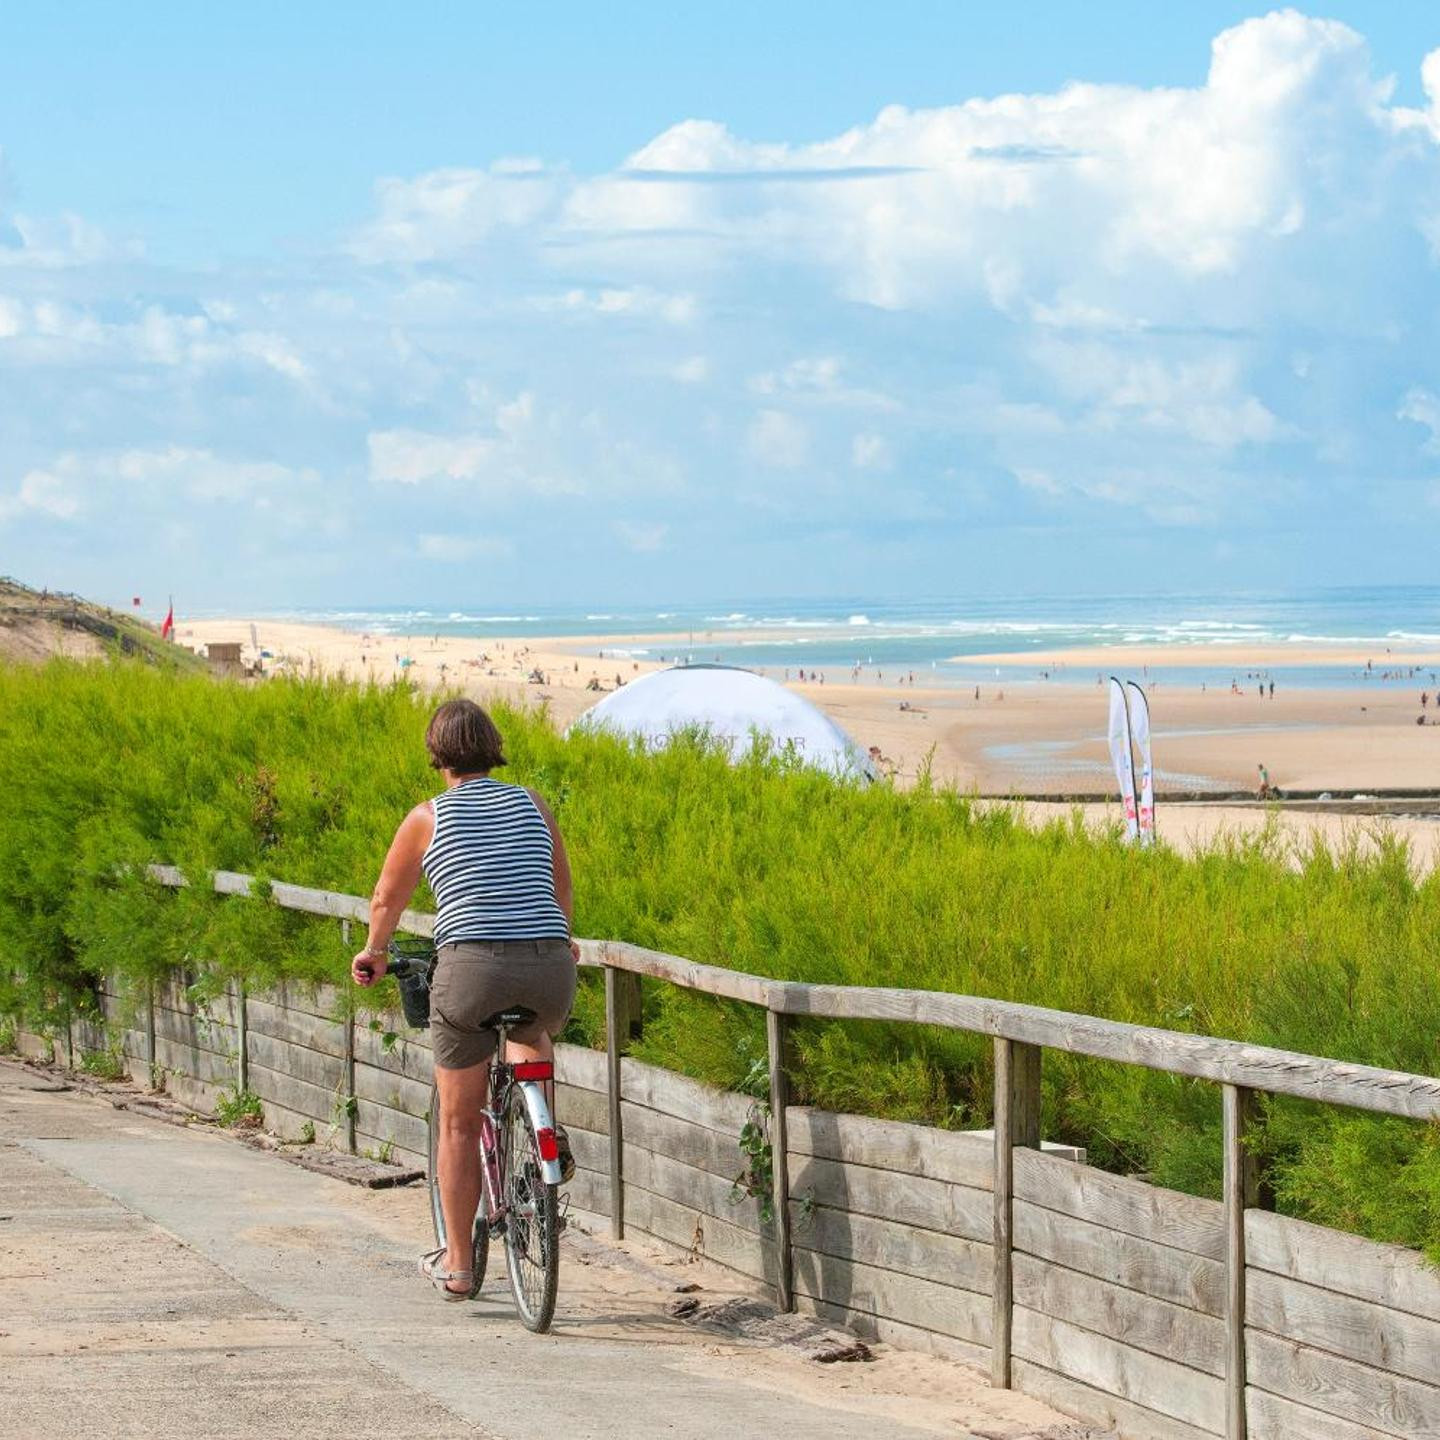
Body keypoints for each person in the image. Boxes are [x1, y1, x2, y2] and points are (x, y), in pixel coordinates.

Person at [351, 699, 578, 1300]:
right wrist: (562, 941)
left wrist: (374, 952)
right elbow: (558, 885)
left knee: (457, 1120)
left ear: (436, 753)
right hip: (550, 968)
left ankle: (457, 1265)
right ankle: (543, 1129)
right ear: (492, 744)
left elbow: (386, 900)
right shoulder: (533, 803)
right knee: (532, 1028)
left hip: (471, 971)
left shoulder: (427, 817)